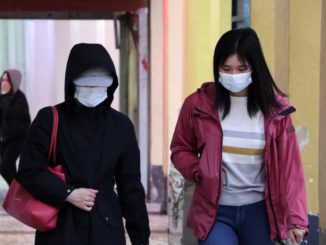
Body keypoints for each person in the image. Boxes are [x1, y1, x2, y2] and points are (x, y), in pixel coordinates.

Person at [170, 28, 308, 245]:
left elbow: (291, 168)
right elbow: (180, 148)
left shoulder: (276, 112)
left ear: (255, 67)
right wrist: (199, 171)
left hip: (261, 214)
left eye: (241, 69)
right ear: (217, 69)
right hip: (214, 213)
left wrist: (297, 219)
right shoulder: (198, 104)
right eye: (226, 69)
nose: (234, 76)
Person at [16, 43, 150, 245]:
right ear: (72, 82)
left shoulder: (121, 126)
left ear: (111, 84)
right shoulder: (50, 119)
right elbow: (28, 171)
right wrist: (67, 193)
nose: (94, 87)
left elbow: (130, 188)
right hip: (61, 227)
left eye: (100, 82)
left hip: (106, 228)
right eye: (87, 82)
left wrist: (141, 240)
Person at [0, 69, 31, 185]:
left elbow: (22, 122)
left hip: (17, 139)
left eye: (6, 80)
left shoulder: (19, 99)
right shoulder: (3, 97)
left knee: (4, 167)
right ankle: (15, 195)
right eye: (2, 80)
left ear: (14, 81)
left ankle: (18, 190)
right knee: (10, 168)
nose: (3, 83)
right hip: (4, 139)